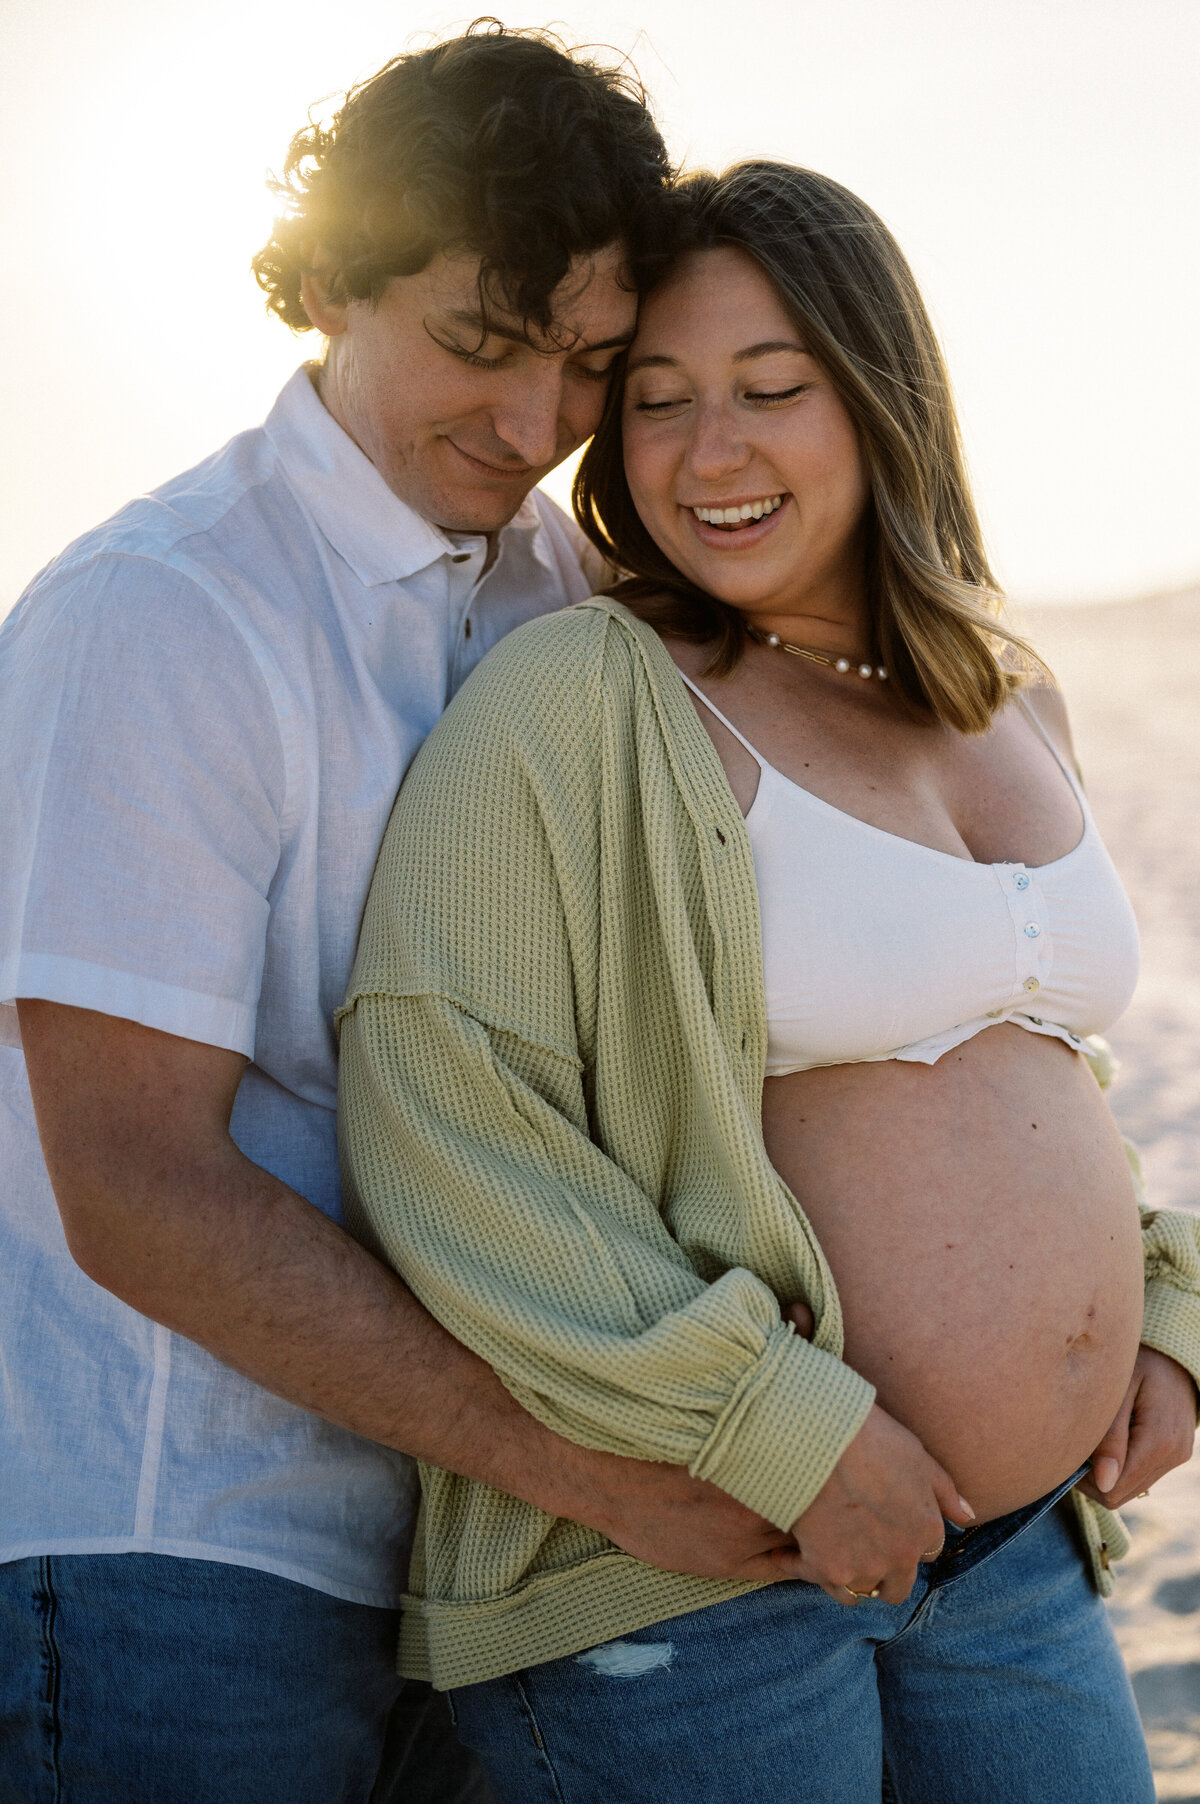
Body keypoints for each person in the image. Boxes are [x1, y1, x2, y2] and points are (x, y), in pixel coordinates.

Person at [338, 160, 1200, 1803]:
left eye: (768, 389)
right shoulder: (589, 693)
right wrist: (790, 1434)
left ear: (880, 398)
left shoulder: (1010, 700)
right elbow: (444, 1109)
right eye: (656, 403)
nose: (706, 453)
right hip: (703, 1578)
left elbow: (1035, 1071)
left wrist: (1158, 1306)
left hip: (1015, 1558)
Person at [0, 29, 797, 1803]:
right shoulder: (161, 611)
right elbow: (132, 1186)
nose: (533, 428)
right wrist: (582, 1462)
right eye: (481, 344)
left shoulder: (558, 589)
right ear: (340, 280)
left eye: (592, 366)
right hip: (176, 1547)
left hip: (467, 1550)